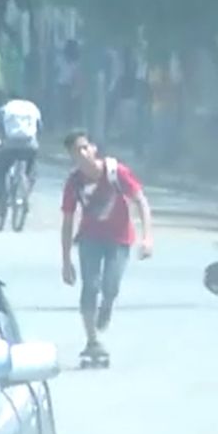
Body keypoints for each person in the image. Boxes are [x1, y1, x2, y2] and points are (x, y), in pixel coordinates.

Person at [59, 129, 156, 360]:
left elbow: (141, 201)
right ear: (72, 156)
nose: (82, 153)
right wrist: (65, 261)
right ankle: (92, 340)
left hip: (119, 239)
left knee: (110, 285)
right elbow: (68, 220)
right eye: (76, 151)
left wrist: (147, 237)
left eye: (85, 147)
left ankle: (108, 304)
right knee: (90, 286)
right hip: (90, 239)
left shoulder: (115, 172)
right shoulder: (74, 183)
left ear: (93, 148)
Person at [0, 95, 43, 228]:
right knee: (32, 173)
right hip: (30, 146)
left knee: (0, 172)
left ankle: (2, 199)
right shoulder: (33, 108)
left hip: (10, 146)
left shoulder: (6, 108)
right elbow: (40, 127)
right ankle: (26, 192)